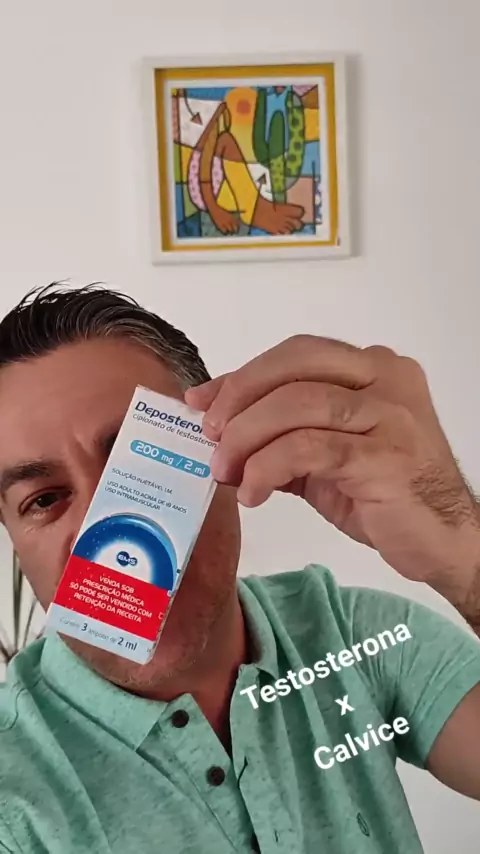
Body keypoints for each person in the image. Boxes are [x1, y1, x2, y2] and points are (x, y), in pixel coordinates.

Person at [0, 283, 479, 854]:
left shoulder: (355, 637)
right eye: (44, 499)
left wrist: (462, 554)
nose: (106, 531)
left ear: (229, 458)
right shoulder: (14, 795)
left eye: (142, 464)